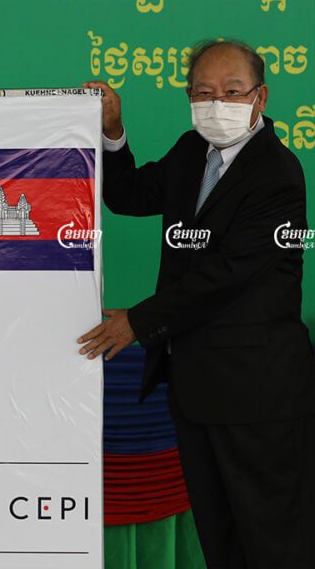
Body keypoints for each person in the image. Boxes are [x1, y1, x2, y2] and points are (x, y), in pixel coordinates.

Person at [78, 40, 315, 568]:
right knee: (221, 538)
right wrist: (113, 131)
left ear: (260, 98)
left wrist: (138, 322)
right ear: (188, 96)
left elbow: (227, 276)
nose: (217, 102)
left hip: (259, 394)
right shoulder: (192, 150)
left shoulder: (278, 173)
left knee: (273, 542)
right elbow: (130, 195)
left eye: (232, 91)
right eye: (203, 92)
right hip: (197, 388)